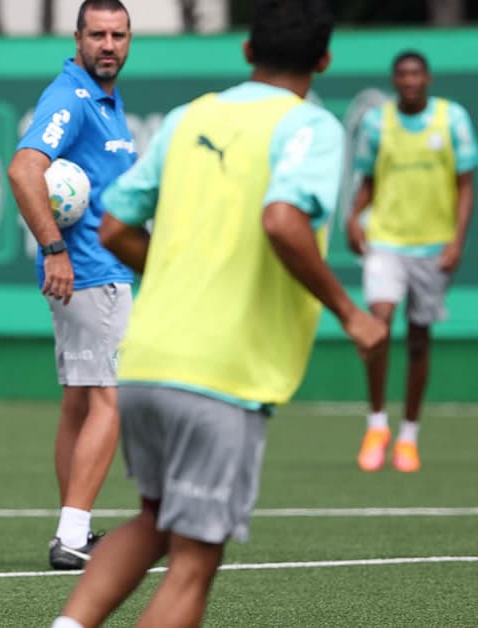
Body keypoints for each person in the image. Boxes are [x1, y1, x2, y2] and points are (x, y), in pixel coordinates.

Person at [49, 1, 389, 626]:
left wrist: (182, 279)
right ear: (324, 60)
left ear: (247, 51)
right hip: (221, 373)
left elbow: (118, 224)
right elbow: (283, 221)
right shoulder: (311, 127)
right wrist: (351, 312)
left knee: (153, 521)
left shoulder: (188, 117)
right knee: (194, 563)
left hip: (147, 362)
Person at [6, 0, 136, 570]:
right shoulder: (73, 97)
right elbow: (23, 168)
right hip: (89, 272)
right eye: (98, 34)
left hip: (91, 274)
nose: (108, 44)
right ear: (78, 37)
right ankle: (73, 536)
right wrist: (54, 248)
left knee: (81, 402)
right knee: (110, 399)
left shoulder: (104, 100)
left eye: (119, 34)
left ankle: (72, 529)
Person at [346, 50, 476, 473]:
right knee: (378, 325)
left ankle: (409, 433)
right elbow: (368, 179)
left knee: (419, 339)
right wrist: (353, 216)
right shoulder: (377, 122)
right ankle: (377, 422)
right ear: (395, 80)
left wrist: (457, 241)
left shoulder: (452, 119)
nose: (409, 81)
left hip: (433, 246)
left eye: (416, 74)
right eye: (402, 74)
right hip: (386, 239)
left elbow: (465, 185)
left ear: (428, 78)